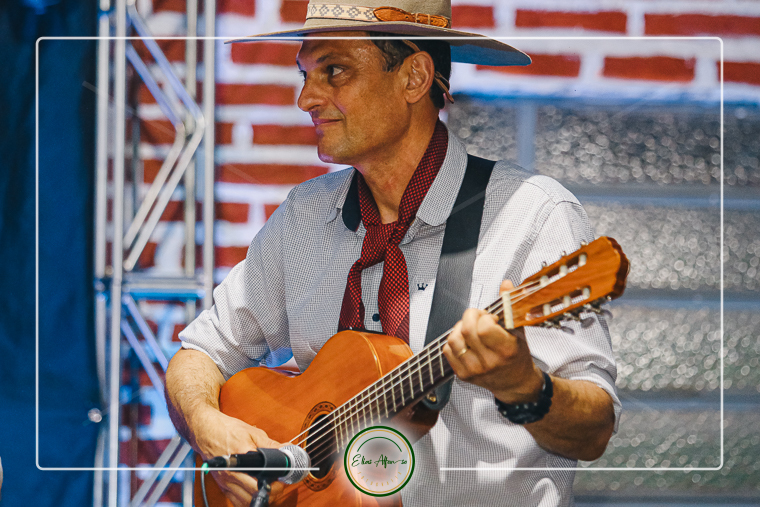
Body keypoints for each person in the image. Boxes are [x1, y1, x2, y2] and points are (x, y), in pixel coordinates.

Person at [166, 1, 620, 506]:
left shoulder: (532, 215)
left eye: (334, 71)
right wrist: (207, 426)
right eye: (305, 74)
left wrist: (525, 387)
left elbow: (595, 430)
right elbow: (200, 354)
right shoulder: (305, 216)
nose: (306, 98)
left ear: (414, 77)